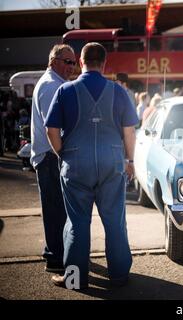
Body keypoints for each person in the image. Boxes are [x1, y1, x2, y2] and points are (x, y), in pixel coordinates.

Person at [45, 42, 138, 289]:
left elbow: (51, 130)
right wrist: (130, 161)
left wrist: (62, 152)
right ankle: (119, 275)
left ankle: (75, 279)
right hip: (111, 162)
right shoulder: (119, 92)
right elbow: (129, 131)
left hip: (76, 162)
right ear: (104, 63)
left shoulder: (65, 90)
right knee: (115, 221)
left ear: (81, 62)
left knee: (76, 222)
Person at [30, 44, 75, 273]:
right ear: (53, 61)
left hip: (50, 157)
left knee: (57, 210)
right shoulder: (50, 86)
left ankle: (57, 254)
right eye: (67, 62)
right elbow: (54, 128)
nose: (71, 67)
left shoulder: (55, 84)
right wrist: (65, 154)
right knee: (56, 211)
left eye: (74, 63)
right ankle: (56, 258)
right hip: (50, 158)